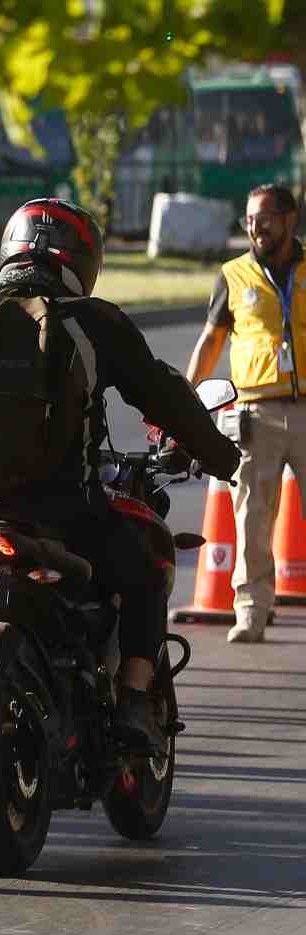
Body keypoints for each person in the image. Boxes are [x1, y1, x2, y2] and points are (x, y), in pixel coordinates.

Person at [0, 198, 241, 750]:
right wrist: (220, 456)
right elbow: (166, 398)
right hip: (67, 514)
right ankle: (135, 700)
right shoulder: (92, 322)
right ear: (81, 259)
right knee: (144, 574)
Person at [185, 183, 306, 643]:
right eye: (249, 219)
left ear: (290, 219)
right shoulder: (233, 274)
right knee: (253, 518)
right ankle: (251, 612)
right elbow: (211, 340)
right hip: (257, 411)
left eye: (265, 218)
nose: (256, 227)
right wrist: (185, 400)